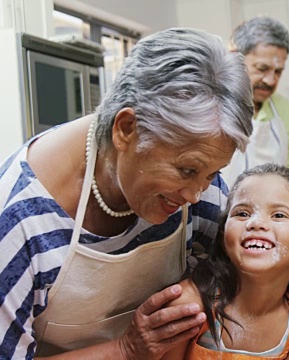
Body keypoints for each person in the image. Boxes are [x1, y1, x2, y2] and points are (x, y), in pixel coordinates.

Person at [0, 28, 254, 359]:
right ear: (126, 129)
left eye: (212, 174)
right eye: (187, 170)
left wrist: (199, 287)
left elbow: (237, 268)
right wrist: (125, 349)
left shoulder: (200, 186)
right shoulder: (21, 221)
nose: (196, 194)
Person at [162, 163, 289, 360]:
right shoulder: (190, 305)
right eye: (242, 213)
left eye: (278, 215)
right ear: (224, 236)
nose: (256, 223)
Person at [221, 16, 289, 187]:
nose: (270, 80)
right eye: (262, 68)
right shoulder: (211, 104)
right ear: (234, 58)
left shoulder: (284, 109)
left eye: (278, 72)